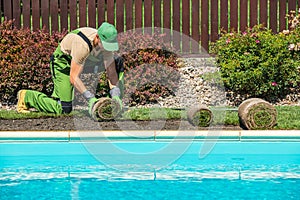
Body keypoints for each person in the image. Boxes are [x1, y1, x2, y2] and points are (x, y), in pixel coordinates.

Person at [16, 22, 123, 116]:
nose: (107, 48)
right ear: (97, 37)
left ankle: (114, 105)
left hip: (85, 62)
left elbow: (111, 71)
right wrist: (90, 98)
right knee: (64, 109)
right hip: (63, 64)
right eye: (105, 45)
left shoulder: (106, 44)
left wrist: (115, 94)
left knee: (117, 62)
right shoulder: (82, 44)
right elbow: (73, 77)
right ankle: (26, 97)